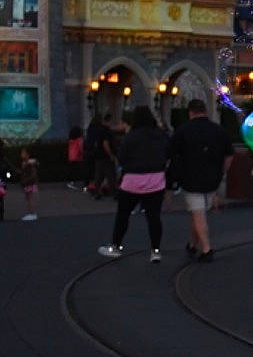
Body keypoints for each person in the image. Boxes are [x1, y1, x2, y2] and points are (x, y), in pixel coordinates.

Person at [97, 106, 170, 261]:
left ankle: (116, 246)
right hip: (155, 180)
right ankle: (155, 251)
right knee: (154, 218)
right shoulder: (160, 135)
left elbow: (122, 157)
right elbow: (168, 153)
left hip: (133, 181)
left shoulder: (132, 136)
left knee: (123, 216)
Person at [168, 97, 231, 263]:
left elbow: (172, 155)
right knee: (199, 214)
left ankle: (206, 249)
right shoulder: (218, 131)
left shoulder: (182, 131)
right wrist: (221, 172)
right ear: (206, 111)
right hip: (212, 179)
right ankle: (192, 244)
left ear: (190, 112)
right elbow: (229, 155)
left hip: (190, 178)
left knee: (198, 214)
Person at [19, 147, 39, 221]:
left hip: (29, 183)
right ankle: (31, 213)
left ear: (27, 154)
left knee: (30, 198)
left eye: (23, 153)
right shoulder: (24, 162)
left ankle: (33, 214)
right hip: (27, 182)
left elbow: (35, 164)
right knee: (28, 198)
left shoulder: (30, 162)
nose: (21, 154)